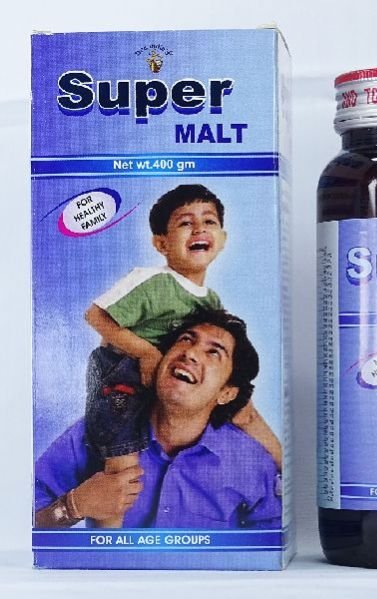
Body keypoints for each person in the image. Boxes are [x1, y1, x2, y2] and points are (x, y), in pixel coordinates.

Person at [84, 185, 281, 526]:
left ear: (222, 239)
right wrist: (146, 353)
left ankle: (283, 465)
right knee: (123, 468)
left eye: (209, 222)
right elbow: (96, 316)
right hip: (122, 376)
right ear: (161, 244)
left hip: (165, 382)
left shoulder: (211, 301)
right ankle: (110, 541)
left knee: (241, 409)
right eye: (186, 223)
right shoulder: (152, 281)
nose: (199, 229)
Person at [35, 309, 282, 529]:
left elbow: (271, 545)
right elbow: (25, 523)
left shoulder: (253, 464)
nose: (191, 353)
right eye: (186, 339)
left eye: (214, 352)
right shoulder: (94, 432)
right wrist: (73, 506)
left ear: (227, 393)